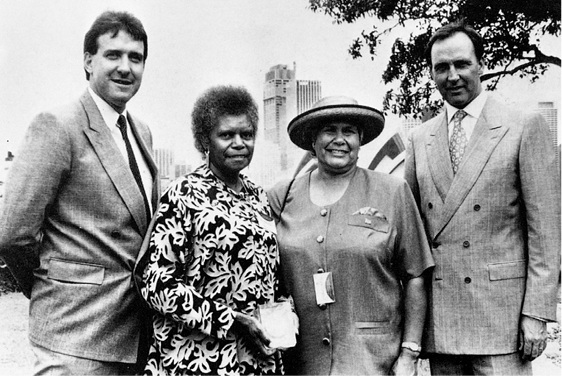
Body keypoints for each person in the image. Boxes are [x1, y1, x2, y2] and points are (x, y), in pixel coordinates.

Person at [0, 11, 157, 375]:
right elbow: (13, 235)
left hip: (134, 340)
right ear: (88, 62)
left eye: (135, 58)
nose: (125, 67)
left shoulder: (142, 133)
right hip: (73, 338)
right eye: (113, 55)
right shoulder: (57, 125)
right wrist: (53, 288)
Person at [404, 21, 562, 376]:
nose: (453, 76)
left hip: (502, 320)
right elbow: (412, 235)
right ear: (431, 73)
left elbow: (545, 232)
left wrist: (536, 313)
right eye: (441, 68)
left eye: (462, 64)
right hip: (442, 322)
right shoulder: (419, 139)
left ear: (481, 65)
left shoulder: (522, 125)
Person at [268, 96, 434, 375]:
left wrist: (409, 353)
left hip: (373, 361)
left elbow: (416, 274)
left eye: (349, 131)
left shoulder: (392, 191)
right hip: (302, 361)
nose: (339, 139)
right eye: (329, 130)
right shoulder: (282, 196)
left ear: (361, 139)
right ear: (312, 139)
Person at [136, 85, 283, 376]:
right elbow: (155, 285)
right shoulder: (184, 194)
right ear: (205, 141)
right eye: (227, 135)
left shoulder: (259, 196)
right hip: (196, 359)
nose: (239, 143)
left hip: (255, 359)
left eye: (247, 134)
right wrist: (231, 319)